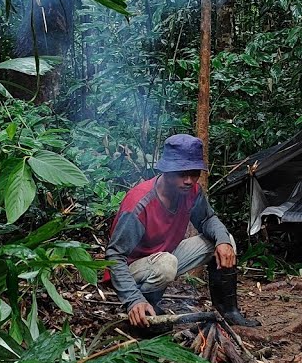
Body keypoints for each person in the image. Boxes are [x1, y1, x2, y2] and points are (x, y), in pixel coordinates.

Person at [106, 134, 259, 328]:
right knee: (166, 264)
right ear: (167, 171)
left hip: (165, 256)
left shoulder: (191, 191)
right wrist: (132, 298)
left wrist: (223, 241)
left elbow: (207, 219)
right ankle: (147, 310)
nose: (189, 180)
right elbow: (115, 256)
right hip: (132, 270)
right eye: (182, 173)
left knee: (224, 240)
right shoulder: (139, 204)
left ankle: (227, 311)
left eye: (194, 173)